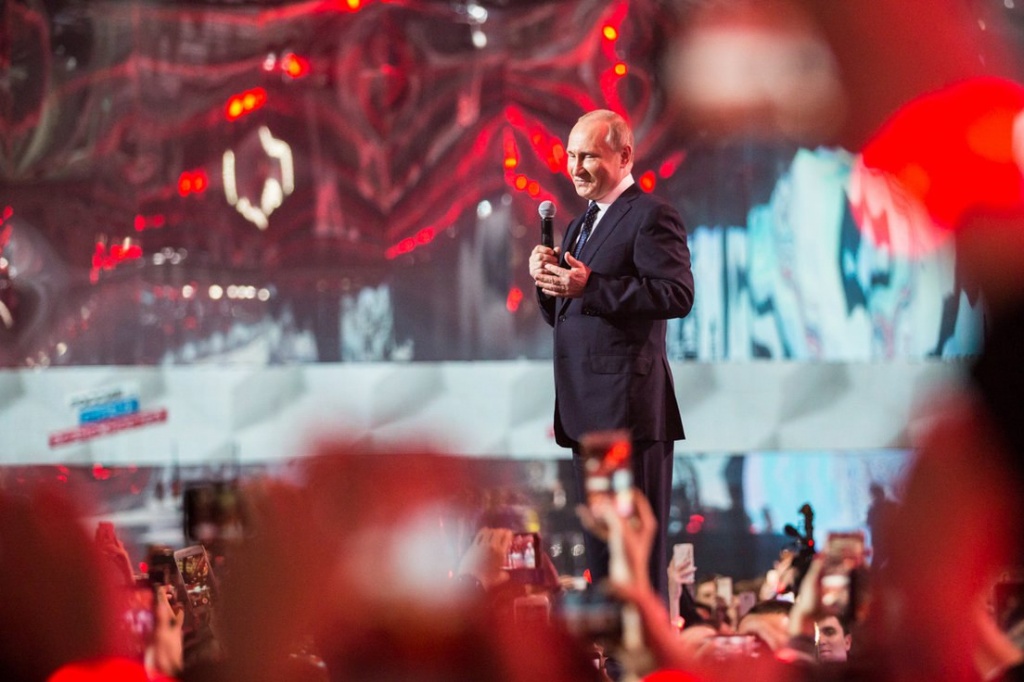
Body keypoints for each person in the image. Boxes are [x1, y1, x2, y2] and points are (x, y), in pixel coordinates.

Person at [528, 108, 695, 598]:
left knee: (633, 566)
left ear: (624, 157)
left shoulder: (650, 215)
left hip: (627, 416)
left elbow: (676, 294)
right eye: (571, 156)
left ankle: (644, 651)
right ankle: (613, 648)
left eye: (589, 157)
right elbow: (567, 315)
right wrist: (547, 282)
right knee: (604, 567)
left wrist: (592, 285)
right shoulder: (581, 224)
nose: (576, 168)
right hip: (588, 418)